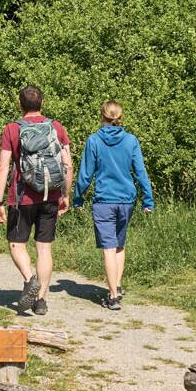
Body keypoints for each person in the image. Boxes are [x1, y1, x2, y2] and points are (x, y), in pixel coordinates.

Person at [0, 85, 72, 316]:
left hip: (21, 197)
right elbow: (68, 164)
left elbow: (3, 166)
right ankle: (41, 301)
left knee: (16, 243)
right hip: (51, 195)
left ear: (20, 105)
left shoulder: (12, 129)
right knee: (44, 249)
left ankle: (29, 280)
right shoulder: (56, 127)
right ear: (42, 104)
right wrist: (65, 194)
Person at [71, 100, 153, 311]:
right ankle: (115, 284)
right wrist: (148, 199)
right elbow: (140, 171)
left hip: (104, 200)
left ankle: (114, 296)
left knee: (108, 248)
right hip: (126, 200)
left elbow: (86, 173)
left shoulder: (94, 141)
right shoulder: (130, 140)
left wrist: (77, 197)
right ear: (120, 117)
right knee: (119, 245)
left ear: (102, 116)